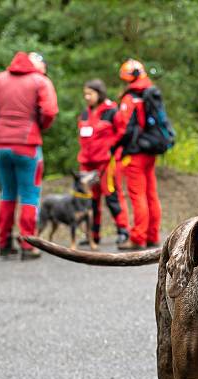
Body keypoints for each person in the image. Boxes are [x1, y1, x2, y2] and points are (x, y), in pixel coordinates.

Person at [0, 51, 58, 260]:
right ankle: (28, 244)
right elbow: (49, 111)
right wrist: (39, 126)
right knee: (30, 195)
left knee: (7, 193)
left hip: (1, 145)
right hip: (27, 144)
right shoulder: (40, 81)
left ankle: (3, 243)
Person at [112, 59, 162, 250]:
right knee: (151, 193)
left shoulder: (130, 98)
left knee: (137, 195)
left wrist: (116, 146)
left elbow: (123, 128)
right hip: (150, 150)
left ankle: (138, 237)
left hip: (135, 153)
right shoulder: (150, 92)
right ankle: (153, 235)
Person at [77, 79, 130, 246]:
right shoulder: (84, 114)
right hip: (87, 163)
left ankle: (123, 231)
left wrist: (111, 149)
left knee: (111, 196)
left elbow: (122, 132)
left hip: (106, 162)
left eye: (90, 93)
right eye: (85, 93)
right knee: (89, 199)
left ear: (99, 94)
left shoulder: (112, 111)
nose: (87, 97)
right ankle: (93, 234)